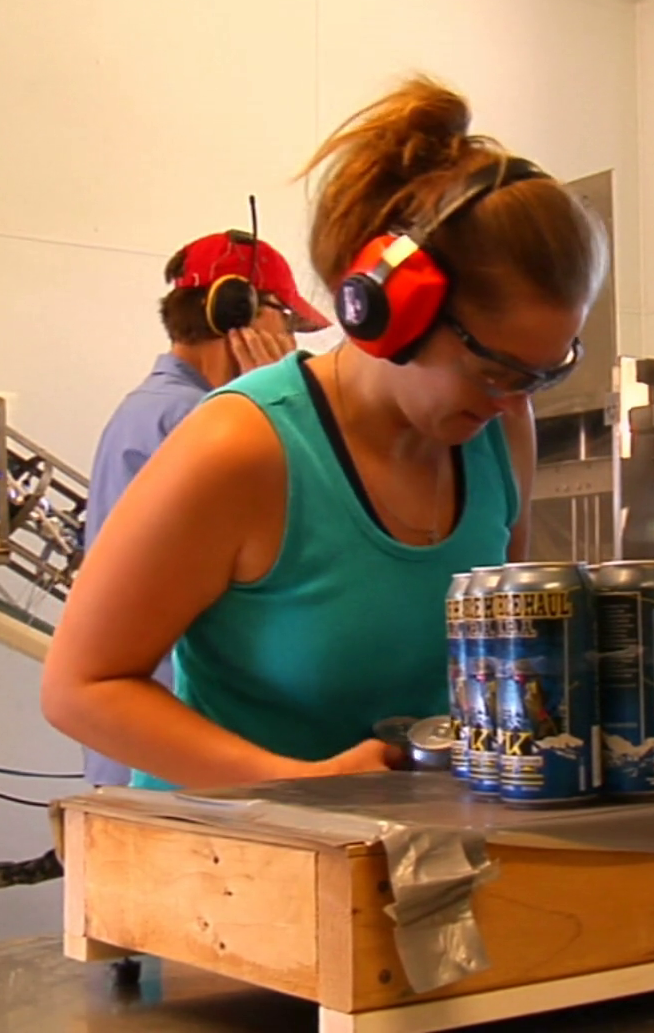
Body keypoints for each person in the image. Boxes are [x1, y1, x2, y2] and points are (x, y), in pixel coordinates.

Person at [44, 76, 607, 789]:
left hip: (412, 840)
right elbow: (81, 689)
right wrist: (300, 783)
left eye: (542, 375)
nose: (511, 400)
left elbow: (496, 657)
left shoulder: (502, 435)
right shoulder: (241, 448)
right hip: (241, 845)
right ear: (395, 312)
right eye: (493, 370)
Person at [78, 230, 327, 786]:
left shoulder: (150, 407)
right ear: (241, 312)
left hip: (138, 749)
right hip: (177, 755)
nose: (292, 342)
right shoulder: (208, 423)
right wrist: (290, 409)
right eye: (287, 320)